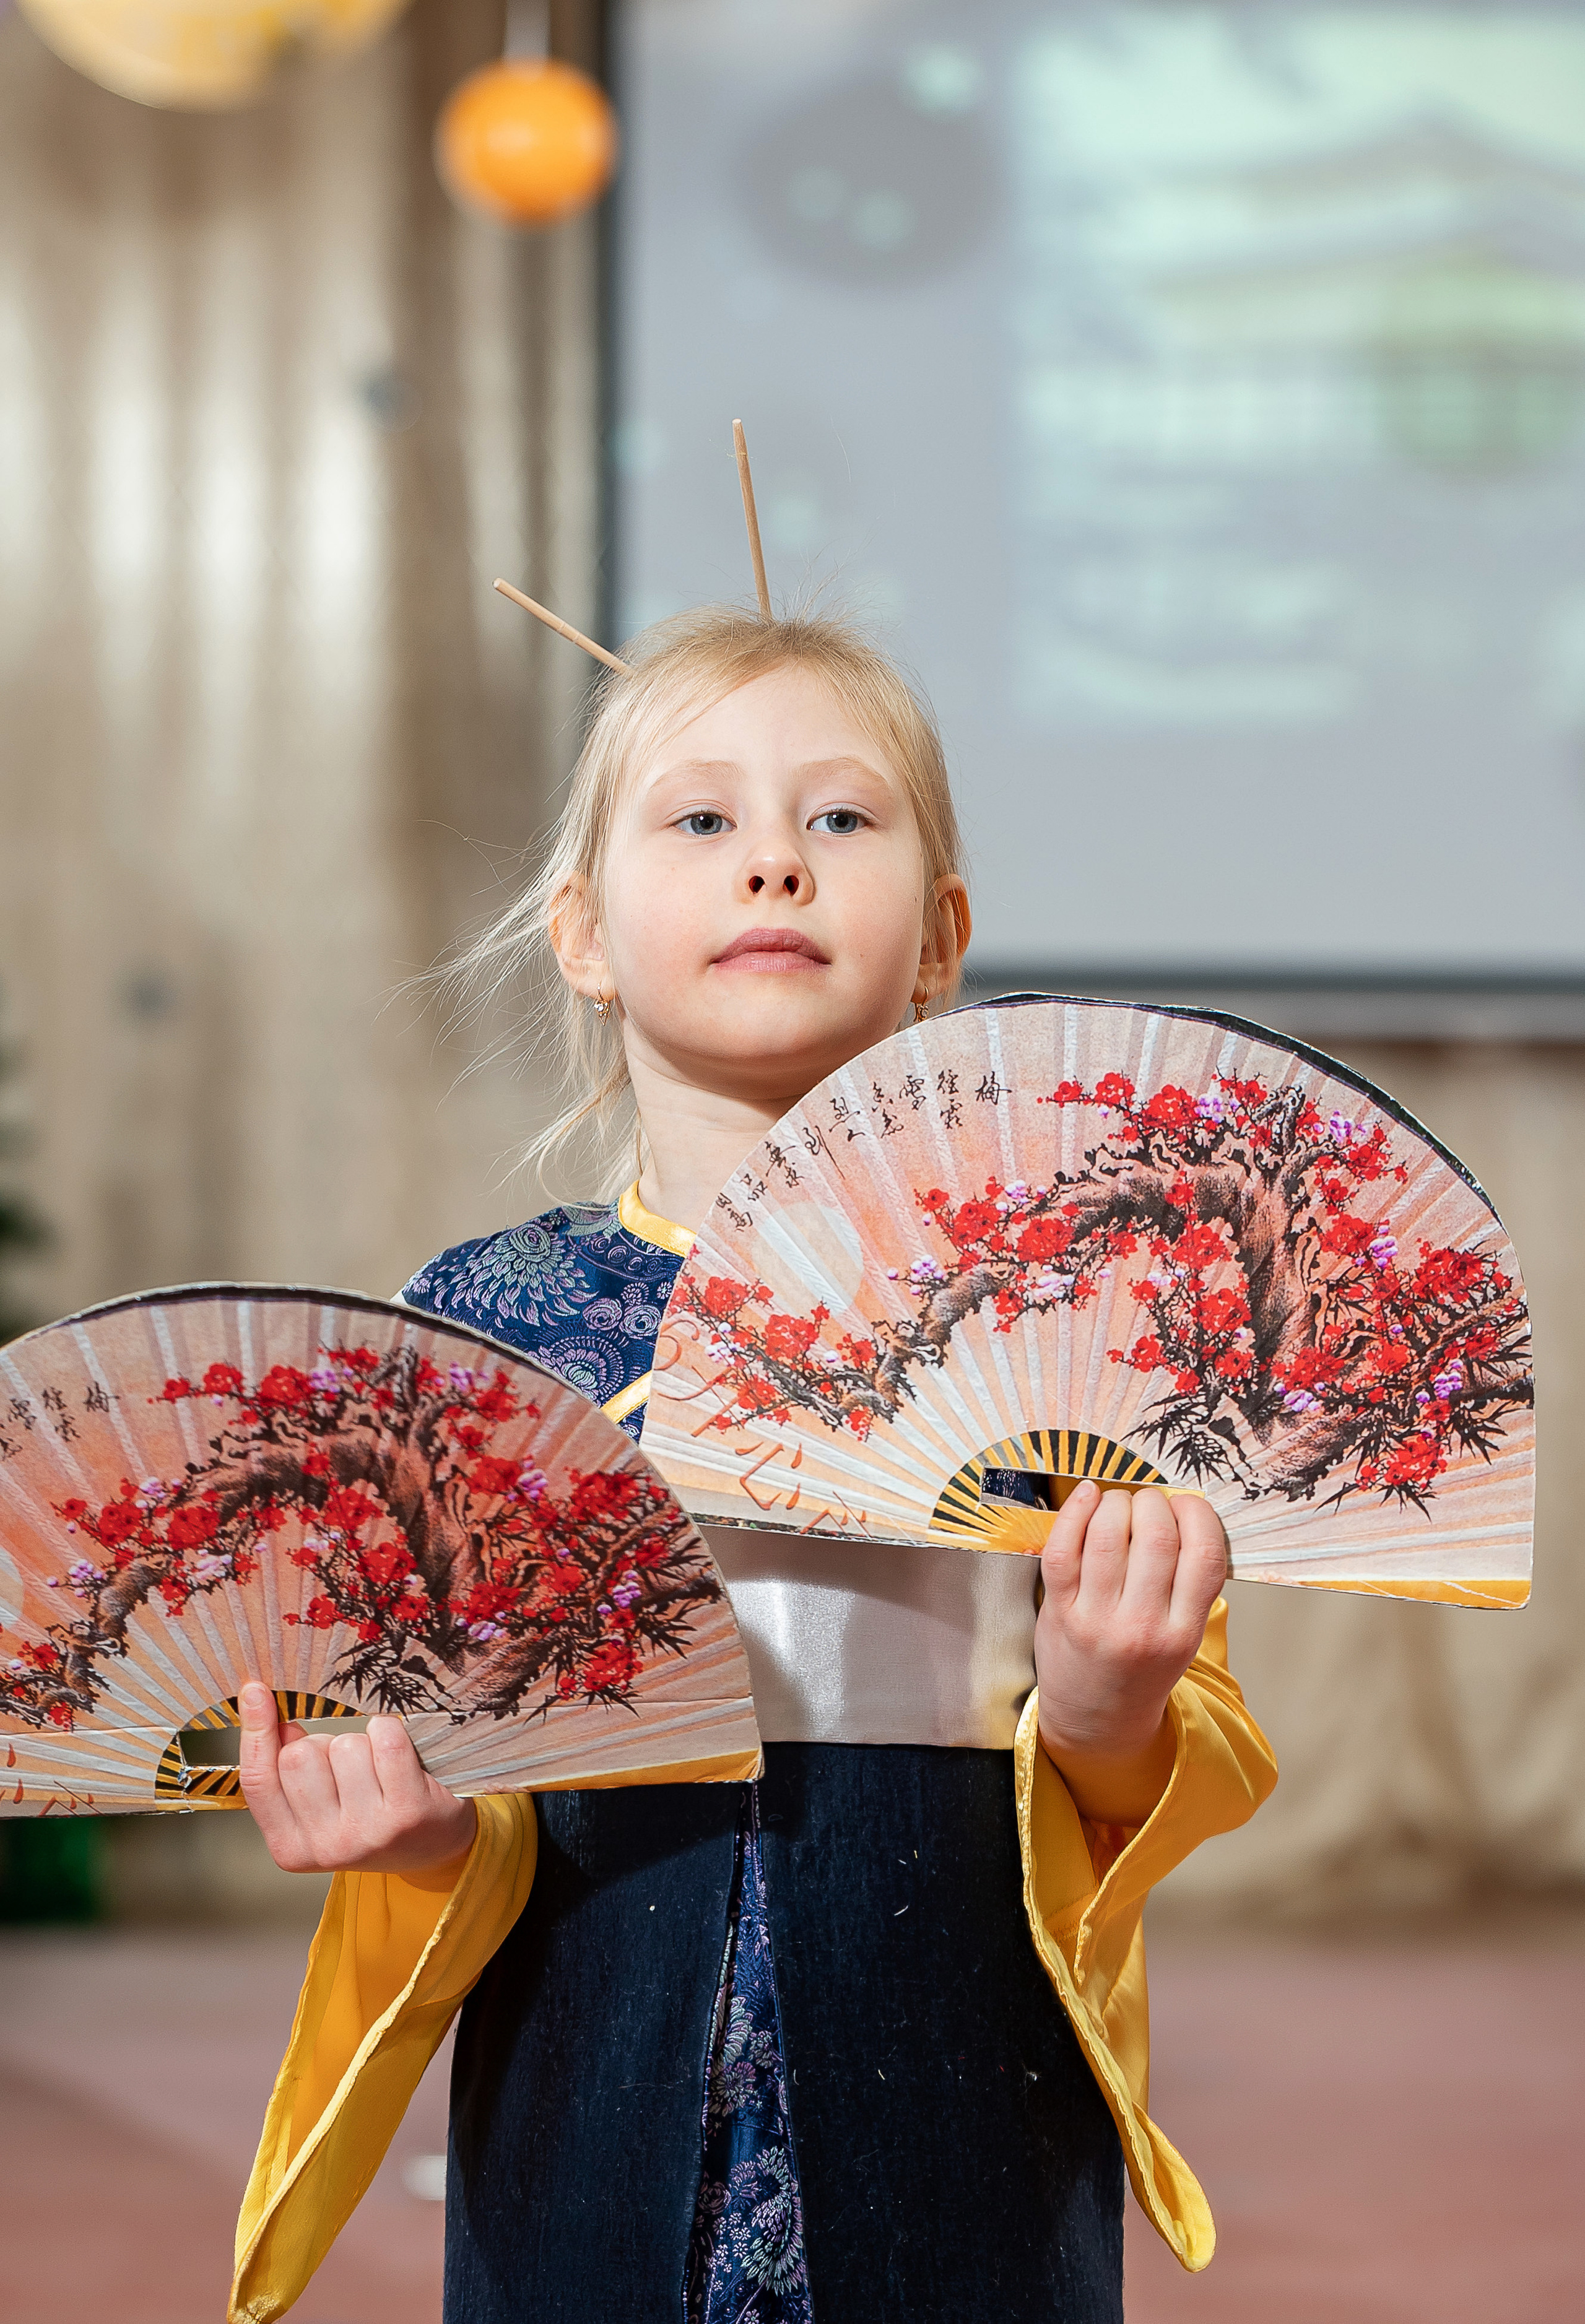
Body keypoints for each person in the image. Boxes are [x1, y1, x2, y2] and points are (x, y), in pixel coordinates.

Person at [229, 605, 1276, 2324]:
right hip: (586, 2077)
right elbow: (474, 1824)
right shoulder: (478, 1339)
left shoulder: (1078, 1321)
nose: (775, 862)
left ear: (942, 932)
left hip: (964, 2095)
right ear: (580, 930)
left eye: (841, 818)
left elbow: (1164, 1761)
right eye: (702, 819)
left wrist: (1100, 1709)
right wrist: (413, 1836)